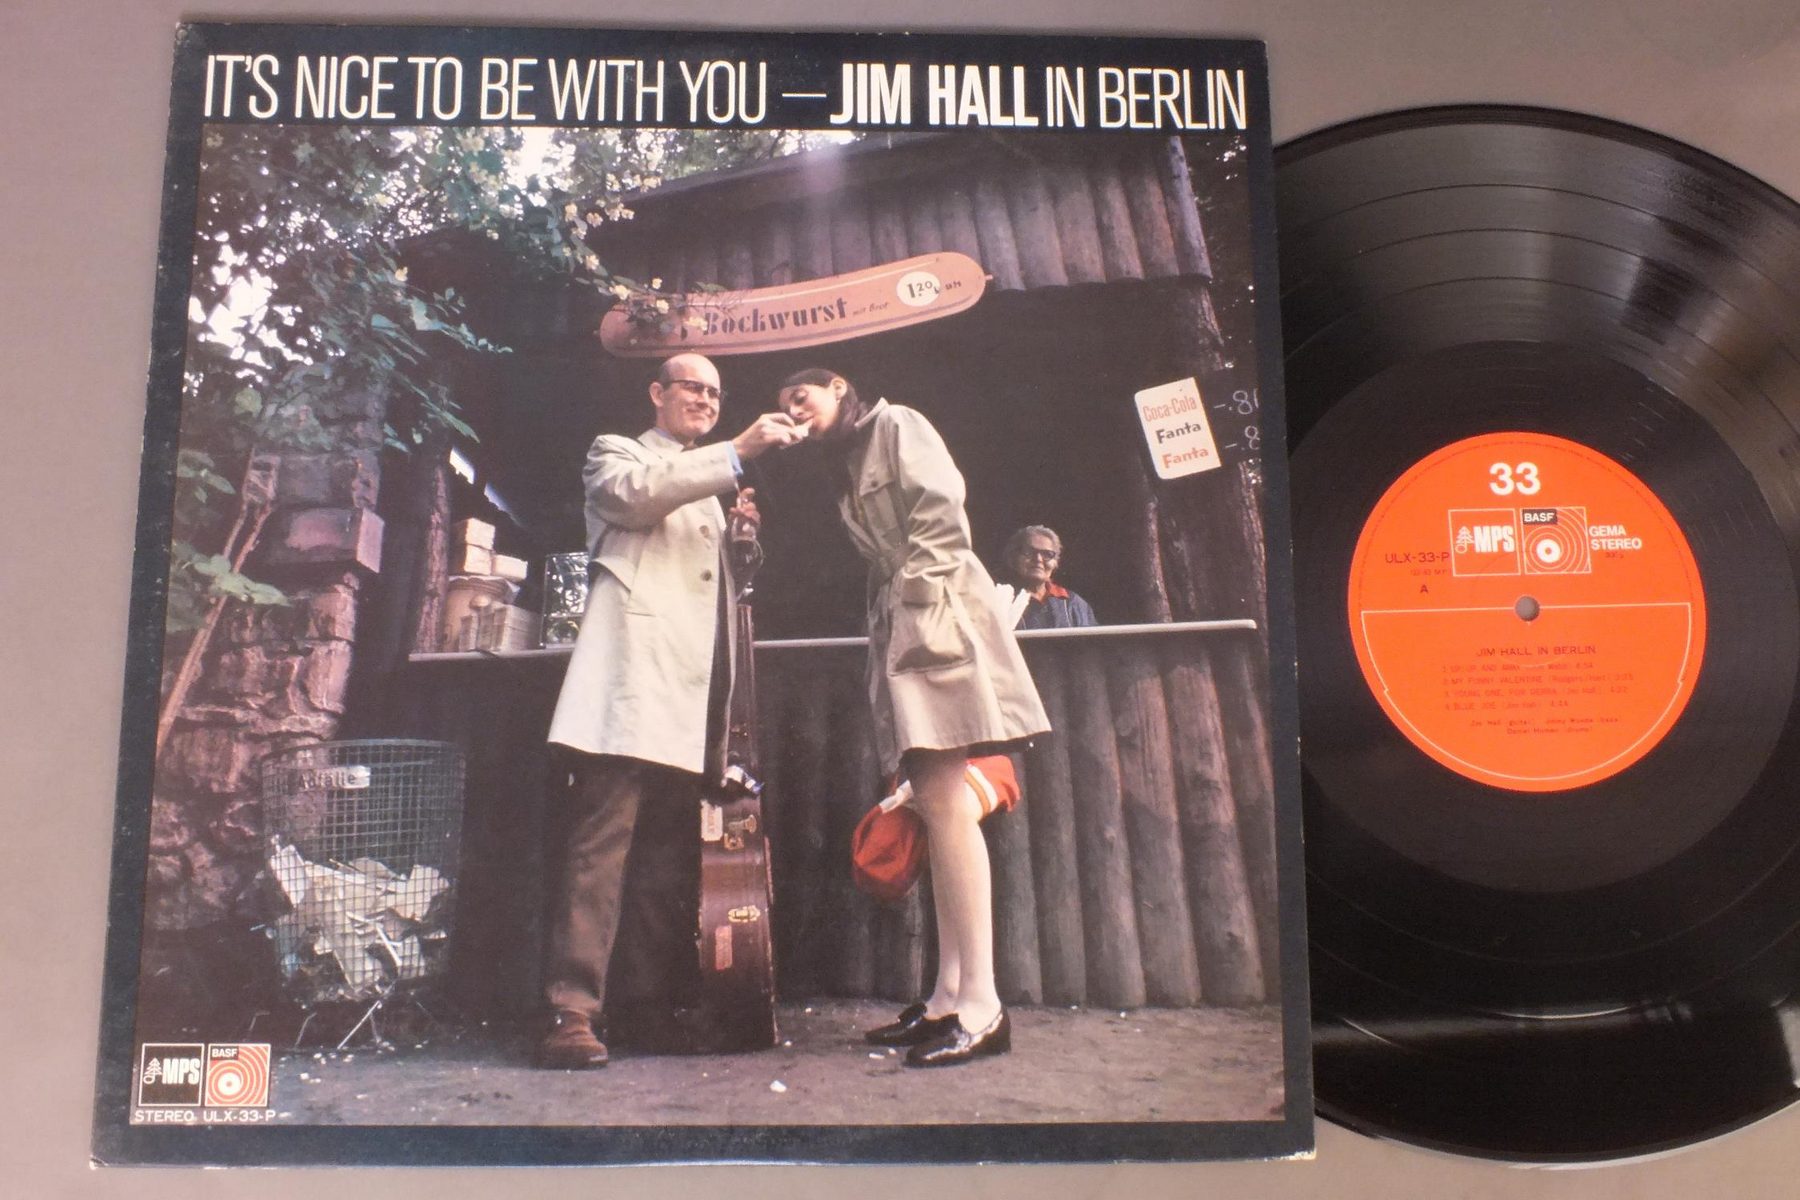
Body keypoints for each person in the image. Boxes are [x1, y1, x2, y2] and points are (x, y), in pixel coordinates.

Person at [535, 352, 806, 1070]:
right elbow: (636, 496)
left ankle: (645, 1009)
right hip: (628, 688)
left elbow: (709, 589)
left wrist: (744, 546)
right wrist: (738, 451)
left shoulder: (713, 484)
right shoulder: (617, 453)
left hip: (687, 698)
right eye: (693, 386)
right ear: (657, 393)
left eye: (716, 392)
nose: (707, 399)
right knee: (600, 853)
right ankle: (571, 1011)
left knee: (664, 861)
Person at [776, 367, 1050, 1067]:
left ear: (839, 387)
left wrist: (915, 605)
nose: (795, 412)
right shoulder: (847, 464)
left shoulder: (897, 424)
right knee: (935, 805)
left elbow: (944, 515)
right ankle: (948, 998)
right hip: (905, 627)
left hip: (937, 621)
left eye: (802, 397)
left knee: (947, 807)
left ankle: (983, 1007)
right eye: (785, 406)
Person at [1001, 525, 1098, 630]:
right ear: (1013, 558)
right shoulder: (1001, 600)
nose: (1038, 559)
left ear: (1055, 563)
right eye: (1029, 552)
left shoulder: (1073, 603)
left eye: (1047, 554)